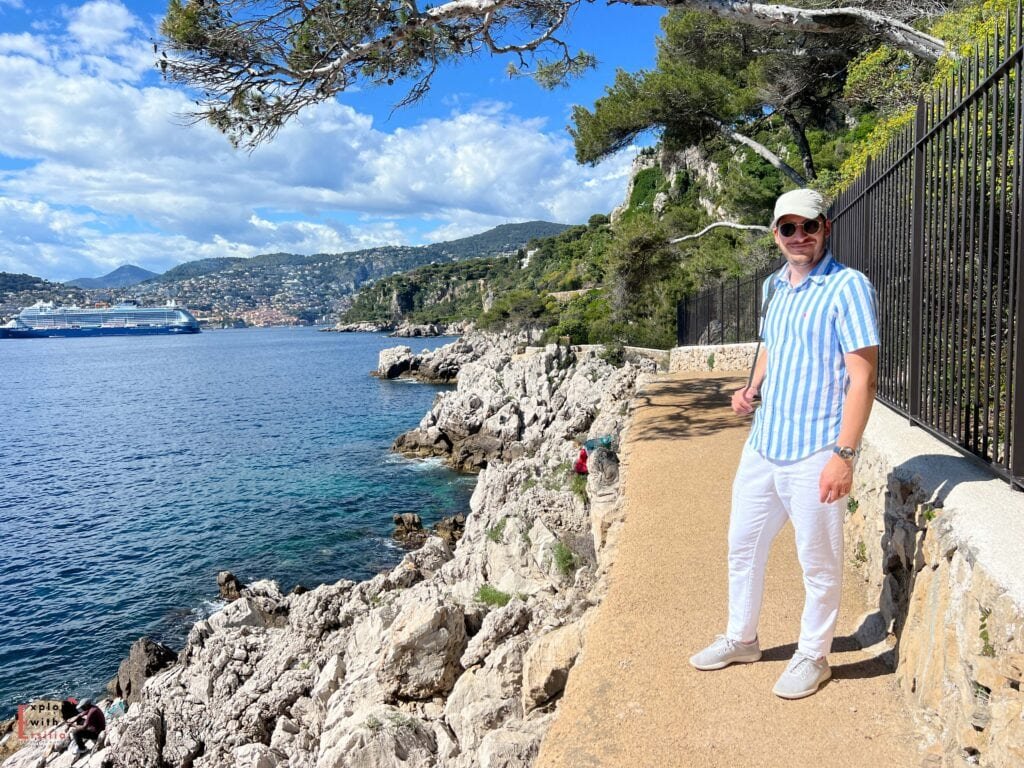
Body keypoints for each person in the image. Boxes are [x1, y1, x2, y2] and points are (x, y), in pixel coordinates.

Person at [689, 188, 880, 699]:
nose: (799, 237)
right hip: (764, 440)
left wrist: (844, 455)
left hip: (818, 445)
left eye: (808, 226)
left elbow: (862, 380)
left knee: (817, 561)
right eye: (788, 228)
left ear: (826, 227)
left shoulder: (848, 287)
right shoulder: (773, 287)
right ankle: (741, 638)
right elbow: (773, 348)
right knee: (741, 547)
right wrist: (750, 388)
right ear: (776, 234)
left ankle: (813, 656)